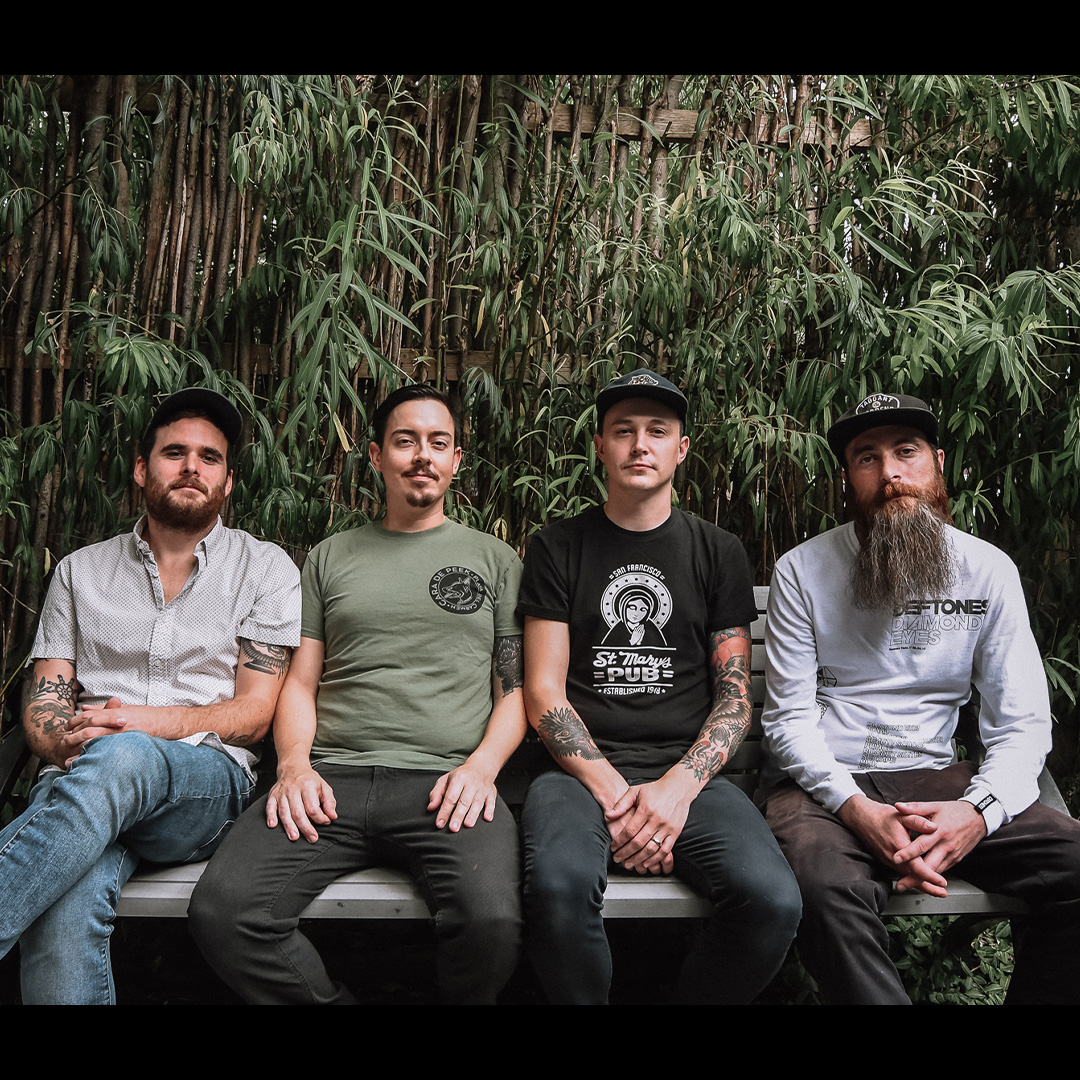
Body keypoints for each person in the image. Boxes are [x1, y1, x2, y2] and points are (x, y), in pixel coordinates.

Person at [189, 384, 525, 1004]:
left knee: (493, 925)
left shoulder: (497, 561)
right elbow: (300, 682)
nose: (422, 455)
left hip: (446, 784)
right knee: (225, 911)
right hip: (330, 782)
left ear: (456, 460)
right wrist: (293, 766)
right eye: (405, 441)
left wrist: (481, 769)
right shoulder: (329, 557)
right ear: (375, 455)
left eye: (438, 443)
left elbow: (514, 691)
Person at [757, 390, 1080, 1005]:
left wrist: (977, 811)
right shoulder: (802, 570)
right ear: (847, 479)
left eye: (906, 451)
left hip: (939, 781)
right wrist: (855, 808)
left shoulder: (988, 570)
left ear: (938, 463)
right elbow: (790, 721)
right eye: (867, 458)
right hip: (826, 784)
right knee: (825, 889)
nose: (890, 474)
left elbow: (1022, 723)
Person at [3, 386, 301, 1005]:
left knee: (125, 754)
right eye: (174, 452)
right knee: (64, 908)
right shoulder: (80, 572)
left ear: (227, 482)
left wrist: (134, 727)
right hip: (83, 780)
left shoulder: (265, 569)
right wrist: (75, 743)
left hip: (205, 787)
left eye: (209, 457)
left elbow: (253, 715)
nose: (192, 467)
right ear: (142, 468)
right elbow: (46, 701)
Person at [517, 368, 802, 1004]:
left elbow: (735, 697)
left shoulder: (717, 550)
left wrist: (675, 791)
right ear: (600, 446)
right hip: (576, 776)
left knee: (772, 902)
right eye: (623, 431)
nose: (640, 445)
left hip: (688, 775)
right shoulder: (558, 546)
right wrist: (620, 799)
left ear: (682, 448)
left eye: (657, 431)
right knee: (558, 890)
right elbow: (543, 694)